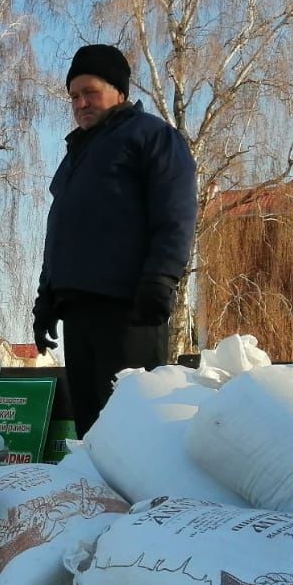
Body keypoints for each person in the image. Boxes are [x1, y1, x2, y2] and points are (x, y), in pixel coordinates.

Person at [34, 44, 198, 437]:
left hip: (129, 308)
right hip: (76, 311)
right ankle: (100, 498)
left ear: (119, 92)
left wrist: (161, 278)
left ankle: (145, 499)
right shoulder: (76, 154)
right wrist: (46, 298)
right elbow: (60, 230)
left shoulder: (152, 137)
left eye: (90, 91)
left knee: (132, 425)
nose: (81, 103)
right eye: (74, 96)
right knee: (91, 428)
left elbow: (175, 213)